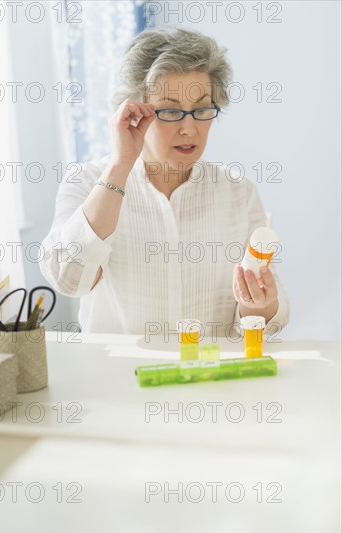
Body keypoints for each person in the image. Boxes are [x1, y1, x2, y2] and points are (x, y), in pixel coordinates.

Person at [39, 27, 289, 338]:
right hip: (119, 379)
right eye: (170, 110)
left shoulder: (239, 192)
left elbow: (265, 317)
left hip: (210, 377)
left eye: (201, 110)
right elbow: (70, 280)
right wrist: (120, 165)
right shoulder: (87, 182)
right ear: (134, 111)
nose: (189, 128)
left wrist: (257, 306)